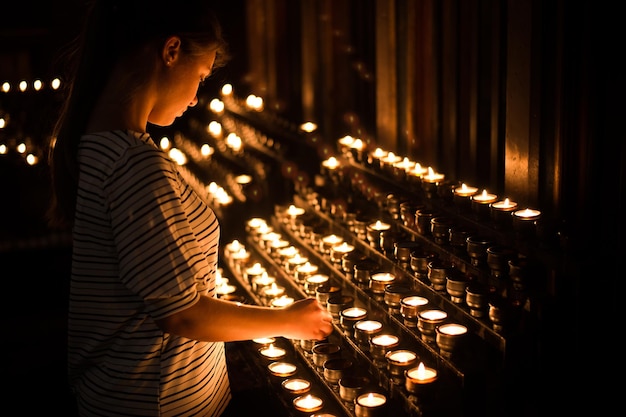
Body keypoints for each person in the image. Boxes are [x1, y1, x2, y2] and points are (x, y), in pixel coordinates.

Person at [46, 1, 334, 416]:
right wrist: (289, 320)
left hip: (127, 392)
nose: (197, 97)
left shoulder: (99, 144)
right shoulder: (133, 164)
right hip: (155, 401)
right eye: (200, 76)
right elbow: (182, 315)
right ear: (171, 51)